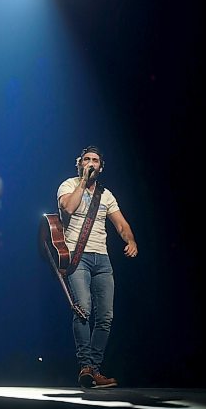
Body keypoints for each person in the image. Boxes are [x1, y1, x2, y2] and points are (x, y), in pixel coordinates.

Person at [57, 145, 138, 388]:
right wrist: (83, 182)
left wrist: (131, 240)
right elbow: (68, 208)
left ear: (101, 167)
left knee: (106, 317)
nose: (90, 163)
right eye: (86, 159)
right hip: (77, 256)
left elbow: (121, 224)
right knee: (83, 310)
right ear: (80, 163)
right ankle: (85, 366)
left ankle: (93, 369)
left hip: (102, 259)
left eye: (95, 160)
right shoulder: (69, 186)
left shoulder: (107, 195)